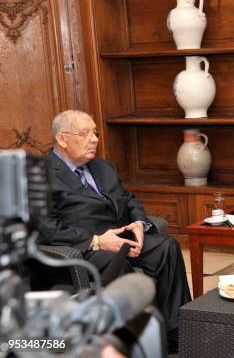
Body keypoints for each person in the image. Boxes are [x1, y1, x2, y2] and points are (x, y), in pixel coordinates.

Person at [38, 110, 191, 353]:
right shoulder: (41, 174)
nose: (95, 139)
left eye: (95, 133)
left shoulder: (102, 167)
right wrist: (97, 241)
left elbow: (129, 200)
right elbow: (45, 229)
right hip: (84, 250)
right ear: (62, 139)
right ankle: (128, 344)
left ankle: (176, 334)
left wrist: (140, 224)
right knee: (119, 263)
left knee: (166, 247)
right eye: (85, 133)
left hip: (122, 238)